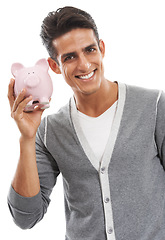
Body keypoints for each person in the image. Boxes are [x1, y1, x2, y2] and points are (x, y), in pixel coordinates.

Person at [7, 6, 165, 240]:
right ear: (54, 66)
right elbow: (26, 217)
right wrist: (27, 138)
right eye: (69, 57)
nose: (83, 65)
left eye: (89, 50)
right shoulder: (50, 130)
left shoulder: (153, 106)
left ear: (101, 49)